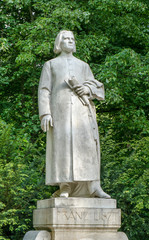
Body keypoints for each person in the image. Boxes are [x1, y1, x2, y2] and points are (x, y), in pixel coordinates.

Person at [38, 30, 110, 198]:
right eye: (66, 39)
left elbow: (95, 85)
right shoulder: (50, 65)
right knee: (63, 148)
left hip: (83, 114)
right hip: (60, 113)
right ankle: (65, 185)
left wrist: (86, 88)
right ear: (59, 43)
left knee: (87, 148)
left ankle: (93, 186)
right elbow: (44, 90)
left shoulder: (83, 65)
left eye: (72, 39)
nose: (70, 41)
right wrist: (45, 113)